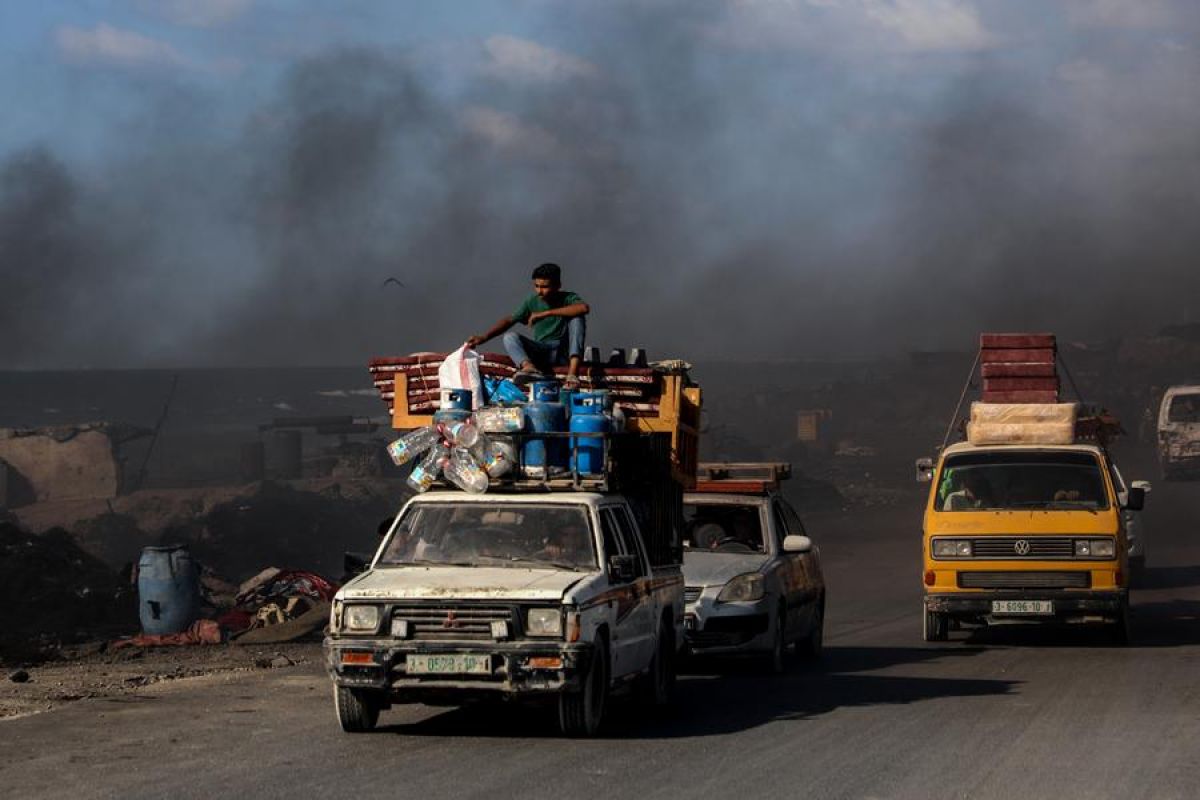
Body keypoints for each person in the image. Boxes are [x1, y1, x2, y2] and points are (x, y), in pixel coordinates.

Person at [466, 263, 589, 388]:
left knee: (577, 318)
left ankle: (572, 375)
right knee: (510, 337)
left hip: (562, 352)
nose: (540, 291)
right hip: (542, 351)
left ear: (558, 286)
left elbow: (583, 308)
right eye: (537, 286)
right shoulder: (532, 300)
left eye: (545, 287)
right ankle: (528, 368)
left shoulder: (568, 298)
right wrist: (484, 337)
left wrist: (545, 314)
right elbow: (509, 320)